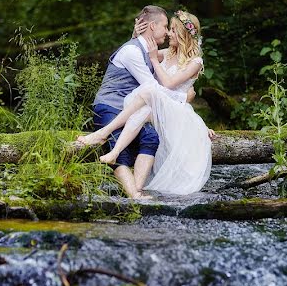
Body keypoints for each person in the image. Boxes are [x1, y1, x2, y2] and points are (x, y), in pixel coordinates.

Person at [79, 10, 213, 196]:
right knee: (142, 110)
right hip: (161, 106)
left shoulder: (195, 61)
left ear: (183, 35)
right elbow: (138, 51)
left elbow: (168, 84)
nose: (168, 33)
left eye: (172, 30)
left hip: (175, 110)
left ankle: (104, 133)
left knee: (148, 91)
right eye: (168, 28)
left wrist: (153, 59)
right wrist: (136, 36)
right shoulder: (166, 53)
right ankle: (128, 177)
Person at [85, 5, 170, 199]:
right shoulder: (132, 51)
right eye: (165, 26)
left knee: (151, 138)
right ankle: (134, 196)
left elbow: (180, 54)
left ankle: (137, 190)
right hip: (109, 107)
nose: (166, 31)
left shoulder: (149, 50)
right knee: (119, 145)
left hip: (130, 111)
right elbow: (151, 89)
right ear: (152, 26)